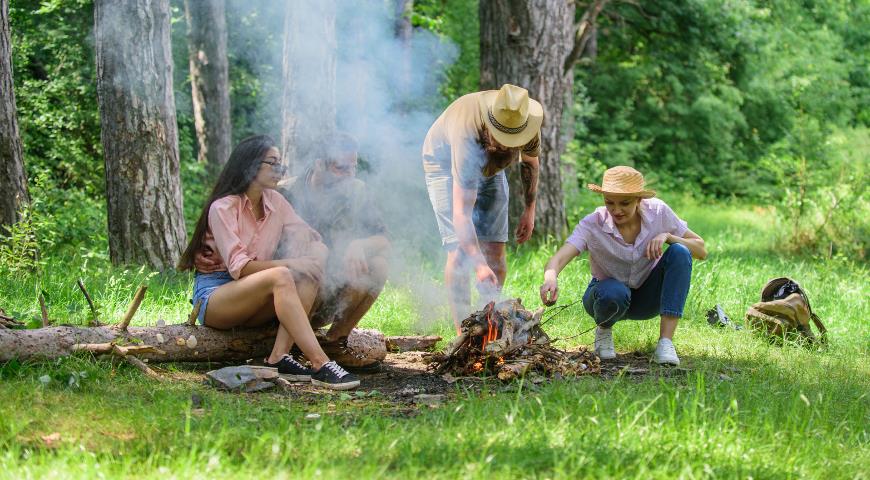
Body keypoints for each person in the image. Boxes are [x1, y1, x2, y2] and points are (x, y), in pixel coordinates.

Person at [177, 135, 360, 390]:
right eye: (272, 163)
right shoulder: (223, 207)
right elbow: (239, 268)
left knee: (307, 271)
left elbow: (311, 237)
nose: (280, 170)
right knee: (284, 274)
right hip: (217, 297)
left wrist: (316, 255)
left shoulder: (276, 201)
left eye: (281, 164)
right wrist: (293, 264)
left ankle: (277, 358)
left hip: (257, 296)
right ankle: (320, 363)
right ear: (250, 165)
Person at [538, 166, 707, 366]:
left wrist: (669, 237)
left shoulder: (659, 212)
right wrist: (550, 278)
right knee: (614, 291)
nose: (616, 210)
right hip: (606, 297)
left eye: (625, 203)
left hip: (647, 299)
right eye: (609, 202)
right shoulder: (593, 223)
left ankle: (665, 343)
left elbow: (701, 250)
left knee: (680, 251)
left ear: (639, 200)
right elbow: (558, 258)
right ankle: (604, 330)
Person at [422, 84, 543, 331]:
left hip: (491, 168)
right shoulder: (467, 133)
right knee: (459, 251)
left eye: (513, 142)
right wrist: (478, 265)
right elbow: (462, 214)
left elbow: (530, 162)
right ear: (489, 126)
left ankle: (486, 326)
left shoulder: (526, 122)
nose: (509, 147)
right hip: (446, 165)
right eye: (503, 140)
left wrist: (530, 209)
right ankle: (463, 334)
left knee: (496, 253)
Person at [277, 134, 390, 368]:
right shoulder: (286, 193)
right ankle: (294, 345)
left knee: (378, 265)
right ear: (319, 164)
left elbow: (384, 240)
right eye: (341, 168)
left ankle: (334, 342)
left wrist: (359, 245)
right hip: (292, 296)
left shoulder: (358, 191)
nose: (350, 175)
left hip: (335, 294)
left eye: (354, 167)